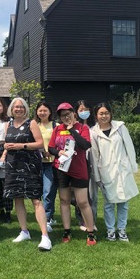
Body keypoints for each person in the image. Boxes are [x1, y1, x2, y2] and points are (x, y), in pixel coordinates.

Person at [0, 97, 52, 251]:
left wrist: (21, 145)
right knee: (18, 198)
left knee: (36, 199)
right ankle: (24, 231)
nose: (18, 109)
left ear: (25, 109)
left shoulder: (32, 123)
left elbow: (40, 143)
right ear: (11, 109)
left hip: (30, 165)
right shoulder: (7, 125)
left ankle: (45, 236)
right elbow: (7, 144)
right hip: (12, 165)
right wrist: (5, 151)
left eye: (21, 107)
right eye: (16, 107)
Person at [48, 102, 96, 246]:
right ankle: (67, 230)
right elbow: (51, 148)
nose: (66, 117)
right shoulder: (57, 129)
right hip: (62, 169)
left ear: (74, 113)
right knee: (64, 200)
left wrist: (72, 131)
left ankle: (90, 232)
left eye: (68, 114)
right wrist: (58, 152)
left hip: (79, 169)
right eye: (63, 116)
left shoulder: (82, 128)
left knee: (82, 202)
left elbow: (85, 145)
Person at [90, 102, 139, 242]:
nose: (104, 116)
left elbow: (130, 147)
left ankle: (122, 230)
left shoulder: (120, 127)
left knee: (123, 202)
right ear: (96, 116)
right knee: (109, 203)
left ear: (110, 114)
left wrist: (133, 166)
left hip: (123, 170)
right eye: (101, 113)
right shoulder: (94, 132)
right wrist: (97, 177)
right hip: (106, 171)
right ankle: (110, 230)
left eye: (106, 113)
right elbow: (94, 156)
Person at [73, 100, 98, 231]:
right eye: (81, 109)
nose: (84, 112)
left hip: (93, 162)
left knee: (92, 194)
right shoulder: (75, 127)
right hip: (80, 163)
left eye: (86, 109)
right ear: (76, 112)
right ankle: (82, 220)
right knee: (81, 195)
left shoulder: (95, 127)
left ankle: (92, 221)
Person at [35, 101, 58, 233]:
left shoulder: (56, 126)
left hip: (52, 162)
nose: (42, 112)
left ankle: (48, 218)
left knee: (48, 191)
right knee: (39, 192)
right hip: (37, 163)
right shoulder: (34, 125)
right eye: (40, 110)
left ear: (50, 112)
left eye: (45, 110)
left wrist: (52, 150)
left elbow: (61, 142)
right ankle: (47, 215)